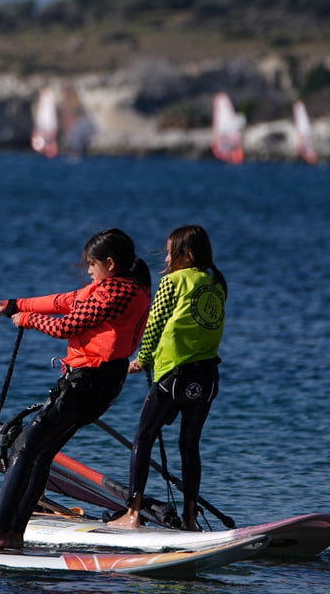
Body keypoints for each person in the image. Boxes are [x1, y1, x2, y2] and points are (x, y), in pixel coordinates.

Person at [0, 228, 152, 551]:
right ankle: (12, 533)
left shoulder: (117, 294)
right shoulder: (120, 288)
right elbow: (65, 301)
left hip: (88, 383)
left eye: (91, 265)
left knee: (25, 447)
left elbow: (68, 325)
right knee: (40, 453)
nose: (89, 271)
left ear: (110, 263)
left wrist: (25, 319)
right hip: (97, 383)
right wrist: (11, 304)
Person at [107, 225, 226, 532]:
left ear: (187, 254)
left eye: (172, 252)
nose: (167, 257)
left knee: (144, 437)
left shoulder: (172, 282)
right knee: (190, 445)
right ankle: (189, 518)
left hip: (174, 373)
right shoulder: (217, 281)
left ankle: (132, 513)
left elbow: (155, 325)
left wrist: (141, 361)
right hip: (208, 376)